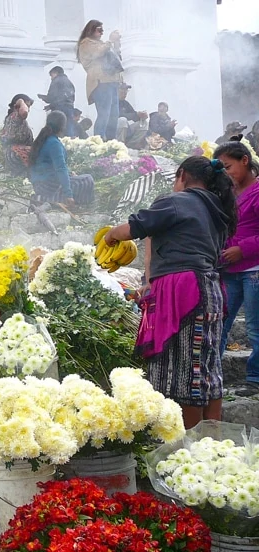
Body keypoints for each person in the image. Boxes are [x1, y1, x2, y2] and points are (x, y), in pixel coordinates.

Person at [104, 156, 237, 428]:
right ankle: (212, 442)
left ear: (182, 175)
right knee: (208, 369)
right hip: (208, 289)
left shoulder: (177, 201)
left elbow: (135, 227)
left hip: (184, 292)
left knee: (186, 371)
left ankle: (187, 444)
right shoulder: (215, 207)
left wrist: (110, 236)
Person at [214, 142, 259, 397]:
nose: (226, 172)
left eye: (228, 166)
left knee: (255, 326)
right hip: (229, 270)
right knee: (220, 322)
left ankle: (255, 378)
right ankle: (212, 373)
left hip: (254, 268)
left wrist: (242, 249)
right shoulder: (227, 192)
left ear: (244, 160)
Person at [29, 111, 95, 208]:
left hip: (39, 185)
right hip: (49, 185)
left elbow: (51, 166)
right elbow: (60, 169)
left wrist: (69, 173)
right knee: (87, 179)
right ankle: (58, 201)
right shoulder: (54, 143)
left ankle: (47, 198)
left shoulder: (44, 139)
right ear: (62, 126)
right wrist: (68, 194)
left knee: (76, 178)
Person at [77, 20, 122, 141]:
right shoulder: (86, 43)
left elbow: (116, 59)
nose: (102, 33)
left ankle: (112, 142)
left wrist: (116, 44)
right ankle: (98, 141)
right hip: (100, 82)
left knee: (114, 115)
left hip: (111, 82)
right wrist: (110, 41)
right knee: (104, 114)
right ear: (91, 30)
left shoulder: (102, 43)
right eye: (99, 29)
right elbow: (97, 53)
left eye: (103, 30)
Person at [1, 94, 35, 176]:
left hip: (16, 154)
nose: (28, 109)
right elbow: (24, 112)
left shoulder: (18, 119)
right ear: (16, 107)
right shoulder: (15, 116)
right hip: (15, 155)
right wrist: (20, 101)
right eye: (27, 106)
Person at [39, 66, 76, 137]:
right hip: (70, 108)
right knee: (69, 128)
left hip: (59, 109)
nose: (51, 78)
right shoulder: (69, 82)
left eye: (51, 75)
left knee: (56, 128)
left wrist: (44, 98)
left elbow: (51, 97)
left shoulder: (56, 81)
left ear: (56, 73)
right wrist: (50, 105)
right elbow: (65, 98)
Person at [116, 84, 149, 149]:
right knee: (122, 120)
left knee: (144, 123)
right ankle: (120, 145)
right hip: (114, 129)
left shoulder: (125, 103)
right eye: (122, 92)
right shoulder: (112, 102)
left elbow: (134, 116)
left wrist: (141, 116)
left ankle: (132, 144)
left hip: (126, 129)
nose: (124, 94)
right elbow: (118, 115)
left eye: (126, 93)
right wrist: (136, 114)